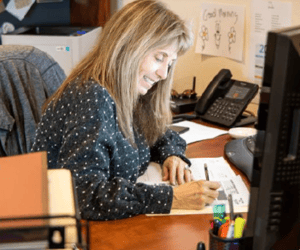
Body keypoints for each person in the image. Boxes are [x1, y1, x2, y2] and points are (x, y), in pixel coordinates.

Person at [31, 0, 220, 220]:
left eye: (169, 63)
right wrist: (171, 197)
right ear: (129, 46)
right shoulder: (92, 96)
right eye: (159, 58)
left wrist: (172, 155)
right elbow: (84, 194)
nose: (163, 74)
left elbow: (158, 134)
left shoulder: (129, 89)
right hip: (73, 228)